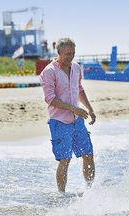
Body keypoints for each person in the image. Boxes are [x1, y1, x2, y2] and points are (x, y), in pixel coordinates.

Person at [40, 38, 96, 193]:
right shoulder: (49, 72)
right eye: (67, 54)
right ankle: (62, 195)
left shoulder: (76, 68)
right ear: (58, 53)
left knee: (88, 155)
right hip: (59, 121)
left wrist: (89, 109)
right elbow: (50, 99)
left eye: (73, 54)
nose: (70, 57)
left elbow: (79, 89)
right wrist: (74, 108)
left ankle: (90, 191)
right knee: (65, 159)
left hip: (77, 120)